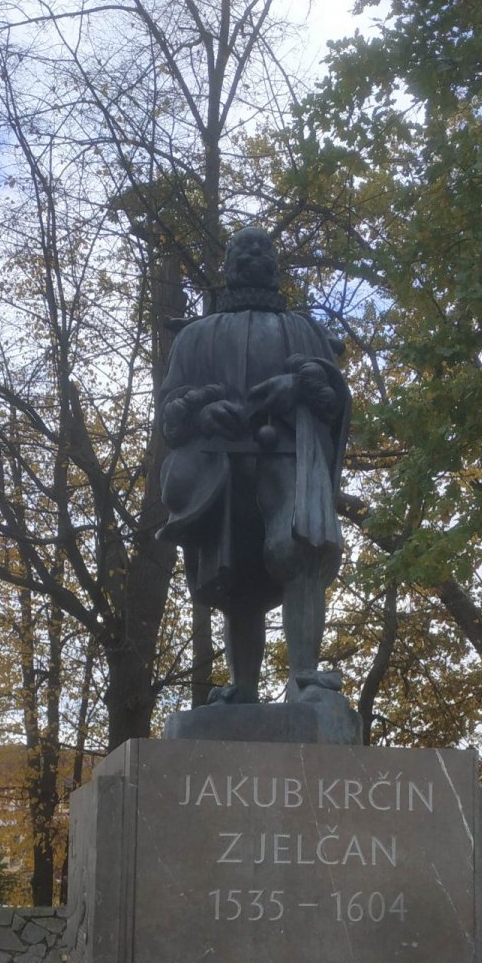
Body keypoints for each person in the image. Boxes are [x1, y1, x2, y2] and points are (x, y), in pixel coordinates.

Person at [157, 226, 351, 705]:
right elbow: (170, 412)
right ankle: (243, 685)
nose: (254, 254)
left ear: (276, 263)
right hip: (215, 466)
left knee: (301, 548)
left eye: (264, 248)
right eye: (244, 249)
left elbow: (333, 398)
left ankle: (304, 673)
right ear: (228, 264)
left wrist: (299, 383)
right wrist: (202, 409)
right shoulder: (195, 336)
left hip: (287, 453)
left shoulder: (304, 328)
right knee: (235, 574)